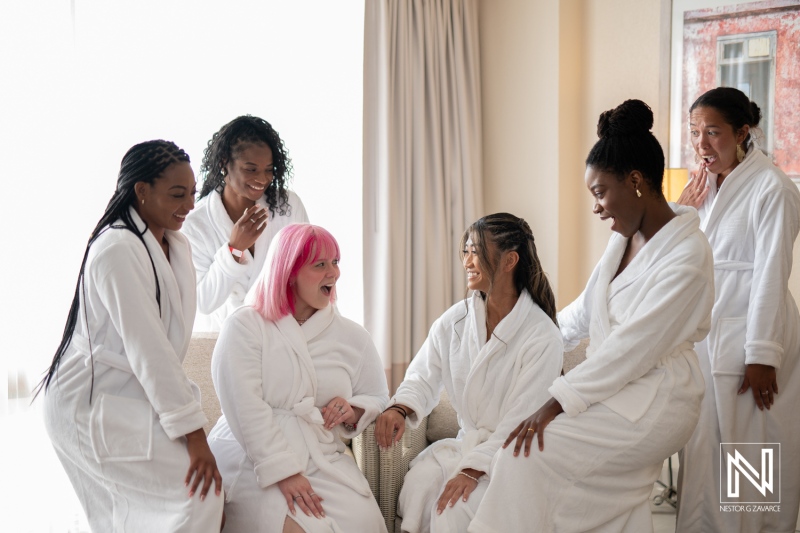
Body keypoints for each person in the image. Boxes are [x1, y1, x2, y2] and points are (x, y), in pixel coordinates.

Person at [468, 100, 715, 533]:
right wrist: (526, 340)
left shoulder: (687, 256)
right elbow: (582, 314)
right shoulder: (623, 242)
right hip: (615, 390)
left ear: (635, 181)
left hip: (657, 398)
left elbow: (631, 348)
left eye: (600, 193)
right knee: (607, 504)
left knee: (523, 457)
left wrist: (555, 402)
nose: (597, 208)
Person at [37, 140, 224, 532]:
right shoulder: (116, 249)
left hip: (130, 394)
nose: (189, 205)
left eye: (192, 193)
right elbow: (150, 350)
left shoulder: (174, 244)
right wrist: (195, 436)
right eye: (177, 194)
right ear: (142, 191)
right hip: (90, 403)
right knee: (196, 494)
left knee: (191, 496)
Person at [375, 213, 564, 533]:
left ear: (509, 260)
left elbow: (521, 421)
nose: (466, 261)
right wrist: (400, 407)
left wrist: (473, 470)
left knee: (454, 510)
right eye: (465, 251)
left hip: (515, 456)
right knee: (420, 485)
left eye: (475, 251)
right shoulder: (456, 322)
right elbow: (422, 375)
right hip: (467, 445)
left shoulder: (541, 335)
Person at [207, 223, 389, 533]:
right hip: (253, 456)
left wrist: (353, 409)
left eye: (336, 262)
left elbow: (377, 396)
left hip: (321, 457)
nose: (333, 273)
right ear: (289, 271)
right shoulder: (246, 325)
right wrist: (283, 471)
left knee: (366, 525)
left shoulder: (352, 337)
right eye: (320, 265)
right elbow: (244, 406)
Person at [675, 87, 800, 532]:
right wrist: (682, 211)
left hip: (751, 336)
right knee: (706, 446)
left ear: (743, 131)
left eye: (713, 132)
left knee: (750, 448)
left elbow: (771, 272)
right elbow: (678, 256)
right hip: (709, 340)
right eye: (694, 133)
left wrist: (762, 355)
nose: (701, 144)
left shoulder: (773, 188)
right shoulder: (704, 188)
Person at [182, 115, 309, 332]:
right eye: (251, 169)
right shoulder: (196, 224)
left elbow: (306, 270)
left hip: (282, 334)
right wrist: (234, 249)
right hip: (224, 339)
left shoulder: (286, 206)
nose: (262, 178)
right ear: (224, 163)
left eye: (269, 170)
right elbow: (203, 302)